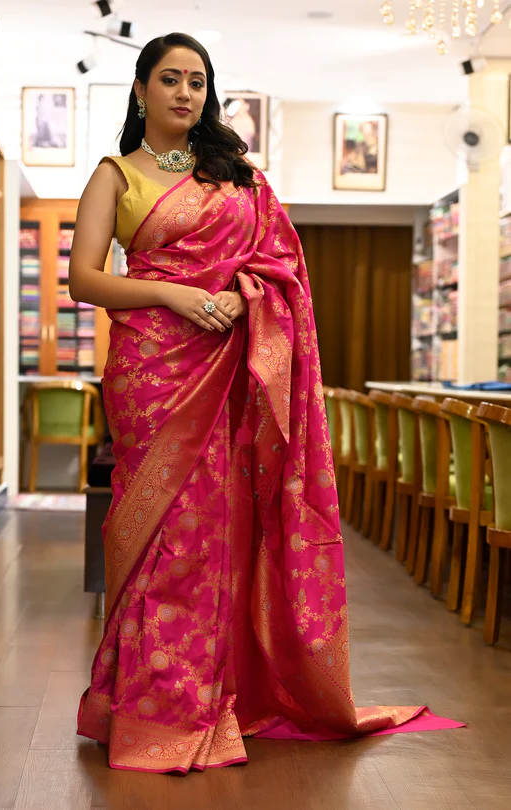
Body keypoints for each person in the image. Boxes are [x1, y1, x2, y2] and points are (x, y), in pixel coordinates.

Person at [70, 32, 462, 774]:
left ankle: (204, 695)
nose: (185, 93)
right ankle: (149, 703)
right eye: (169, 79)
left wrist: (242, 295)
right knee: (156, 534)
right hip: (152, 372)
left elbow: (279, 268)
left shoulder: (239, 180)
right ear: (141, 90)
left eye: (197, 81)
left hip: (225, 362)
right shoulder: (115, 176)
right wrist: (173, 294)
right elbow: (83, 279)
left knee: (214, 532)